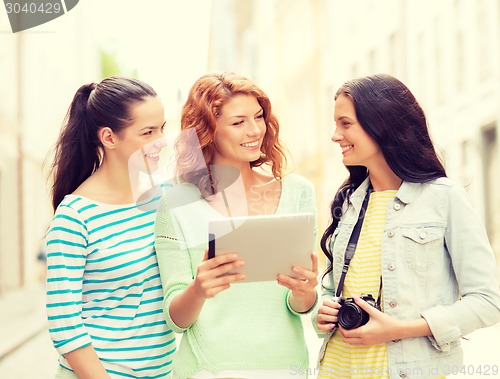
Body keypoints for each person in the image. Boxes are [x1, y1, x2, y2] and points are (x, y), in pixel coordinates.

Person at [313, 73, 500, 379]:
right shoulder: (348, 204)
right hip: (335, 370)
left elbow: (488, 303)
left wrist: (400, 329)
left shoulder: (444, 198)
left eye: (345, 124)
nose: (335, 135)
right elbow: (332, 290)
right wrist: (324, 313)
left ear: (380, 124)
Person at [154, 72, 318, 378]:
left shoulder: (298, 192)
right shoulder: (177, 203)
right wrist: (199, 289)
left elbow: (301, 305)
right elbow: (176, 319)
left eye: (258, 116)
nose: (255, 130)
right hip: (208, 371)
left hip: (286, 368)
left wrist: (304, 292)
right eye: (238, 122)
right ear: (208, 131)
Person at [45, 76, 176, 379]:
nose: (161, 140)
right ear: (109, 137)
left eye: (162, 128)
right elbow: (65, 324)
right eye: (148, 132)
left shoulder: (162, 200)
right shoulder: (75, 217)